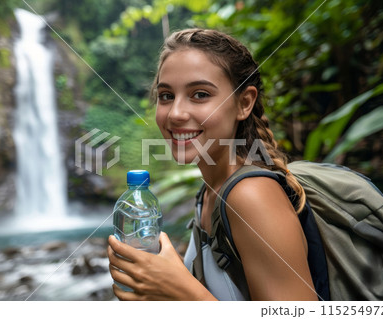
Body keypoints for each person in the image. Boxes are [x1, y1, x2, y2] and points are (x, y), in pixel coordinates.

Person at [107, 28, 318, 301]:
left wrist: (183, 295)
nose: (176, 113)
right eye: (166, 96)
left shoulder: (251, 197)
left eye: (200, 94)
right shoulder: (210, 192)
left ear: (244, 103)